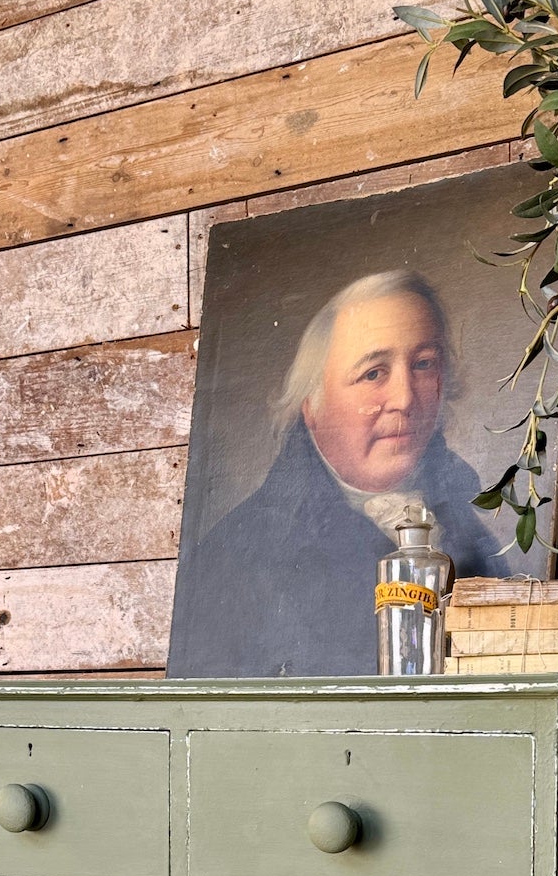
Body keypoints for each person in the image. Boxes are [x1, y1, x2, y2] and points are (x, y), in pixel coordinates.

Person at [167, 269, 514, 677]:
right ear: (311, 405)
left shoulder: (468, 522)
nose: (404, 398)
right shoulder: (232, 558)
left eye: (423, 364)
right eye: (373, 373)